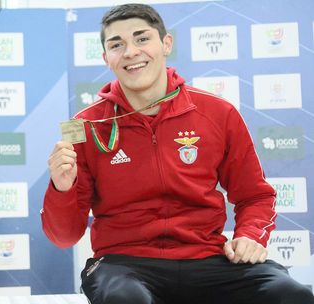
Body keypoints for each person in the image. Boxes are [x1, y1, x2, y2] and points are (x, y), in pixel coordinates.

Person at [42, 3, 314, 304]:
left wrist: (250, 235)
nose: (131, 51)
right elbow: (63, 236)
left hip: (208, 259)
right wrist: (61, 187)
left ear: (166, 43)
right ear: (106, 58)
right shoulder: (86, 126)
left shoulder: (217, 112)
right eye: (116, 44)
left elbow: (256, 195)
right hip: (124, 264)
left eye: (142, 38)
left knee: (292, 295)